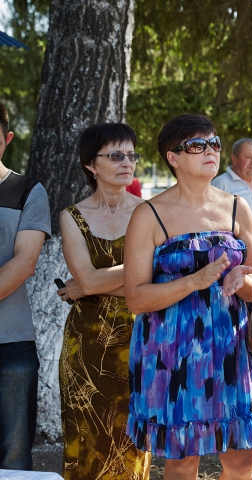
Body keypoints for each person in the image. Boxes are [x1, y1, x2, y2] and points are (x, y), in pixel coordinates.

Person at [124, 114, 252, 479]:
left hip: (231, 352)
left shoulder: (238, 207)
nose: (210, 151)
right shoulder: (148, 214)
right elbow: (136, 299)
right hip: (171, 355)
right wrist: (194, 281)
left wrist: (244, 279)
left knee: (241, 460)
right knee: (182, 462)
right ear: (173, 158)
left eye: (215, 143)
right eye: (197, 145)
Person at [56, 123, 151, 479]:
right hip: (85, 348)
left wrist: (90, 286)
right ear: (91, 165)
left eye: (131, 155)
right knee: (87, 443)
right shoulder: (72, 216)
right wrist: (129, 276)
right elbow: (89, 279)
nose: (127, 162)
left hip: (139, 339)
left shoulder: (149, 211)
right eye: (115, 155)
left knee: (131, 445)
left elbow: (156, 281)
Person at [0, 101, 51, 471]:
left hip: (11, 344)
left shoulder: (27, 191)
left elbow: (25, 261)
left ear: (7, 139)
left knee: (14, 457)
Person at [211, 138, 252, 396]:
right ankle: (237, 383)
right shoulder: (221, 185)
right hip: (236, 275)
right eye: (249, 157)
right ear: (235, 158)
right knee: (238, 331)